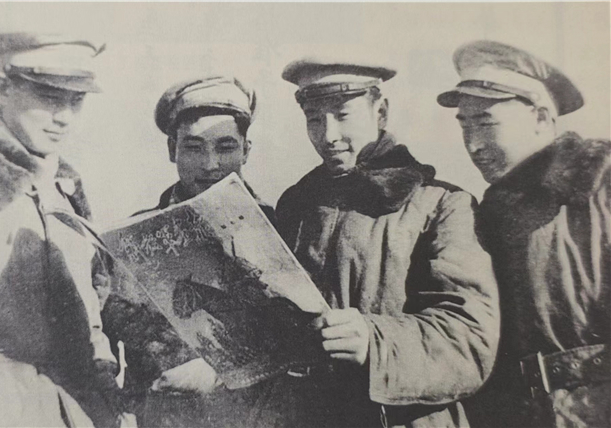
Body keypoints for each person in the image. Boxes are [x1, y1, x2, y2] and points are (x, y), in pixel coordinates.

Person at [252, 57, 500, 428]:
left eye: (343, 115)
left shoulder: (442, 204)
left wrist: (373, 340)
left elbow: (470, 341)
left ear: (380, 112)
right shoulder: (296, 205)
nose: (328, 135)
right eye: (314, 119)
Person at [437, 40, 610, 428]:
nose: (473, 144)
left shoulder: (601, 186)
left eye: (486, 123)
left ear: (541, 117)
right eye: (465, 125)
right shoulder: (482, 216)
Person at [0, 32, 128, 427]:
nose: (65, 117)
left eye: (76, 101)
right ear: (3, 88)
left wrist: (105, 391)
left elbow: (90, 312)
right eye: (49, 97)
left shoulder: (62, 185)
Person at [102, 75, 274, 427]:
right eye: (194, 147)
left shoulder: (282, 229)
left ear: (246, 150)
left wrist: (219, 374)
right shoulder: (131, 242)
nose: (210, 164)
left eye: (225, 147)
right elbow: (100, 343)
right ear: (172, 150)